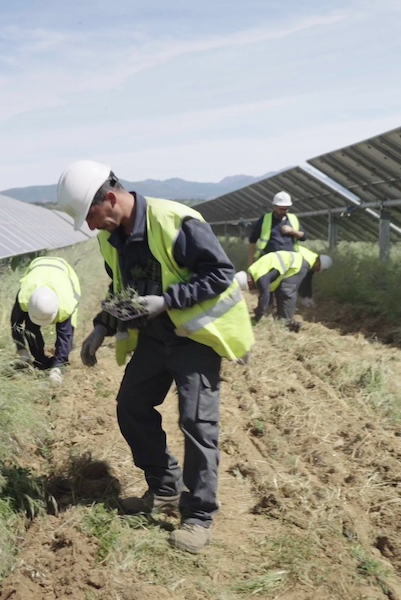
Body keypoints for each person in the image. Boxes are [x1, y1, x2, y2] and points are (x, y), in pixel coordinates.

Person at [56, 160, 254, 554]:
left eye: (92, 216)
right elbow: (122, 285)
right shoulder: (110, 238)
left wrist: (167, 301)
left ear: (110, 198)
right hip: (154, 338)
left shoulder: (175, 221)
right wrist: (103, 324)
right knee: (131, 406)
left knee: (197, 424)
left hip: (195, 337)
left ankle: (198, 516)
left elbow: (219, 273)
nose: (92, 227)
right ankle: (165, 489)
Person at [11, 255, 81, 384]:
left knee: (66, 331)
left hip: (63, 269)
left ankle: (59, 363)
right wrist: (22, 350)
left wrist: (58, 367)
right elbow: (15, 323)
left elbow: (65, 334)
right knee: (30, 328)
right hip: (37, 266)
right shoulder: (25, 299)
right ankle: (39, 360)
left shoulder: (66, 305)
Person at [235, 248, 331, 332]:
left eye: (250, 287)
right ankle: (281, 318)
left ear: (249, 281)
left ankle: (286, 322)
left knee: (287, 292)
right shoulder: (256, 271)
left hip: (295, 264)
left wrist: (256, 318)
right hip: (290, 263)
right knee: (282, 291)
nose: (252, 289)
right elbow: (266, 296)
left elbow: (264, 296)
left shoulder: (261, 277)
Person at [247, 191, 305, 266]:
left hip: (288, 263)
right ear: (274, 207)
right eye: (281, 209)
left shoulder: (293, 219)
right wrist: (251, 264)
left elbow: (303, 237)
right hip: (268, 263)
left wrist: (292, 231)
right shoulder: (265, 219)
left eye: (286, 209)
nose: (283, 211)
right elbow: (252, 241)